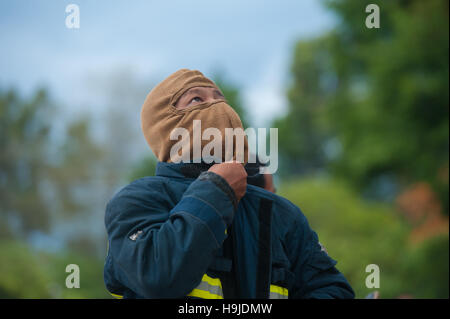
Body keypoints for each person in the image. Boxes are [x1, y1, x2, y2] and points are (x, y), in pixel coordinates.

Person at [103, 69, 354, 299]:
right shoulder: (136, 202)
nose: (218, 105)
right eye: (196, 100)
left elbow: (332, 290)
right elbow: (158, 277)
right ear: (165, 125)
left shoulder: (280, 213)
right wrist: (216, 189)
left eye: (220, 98)